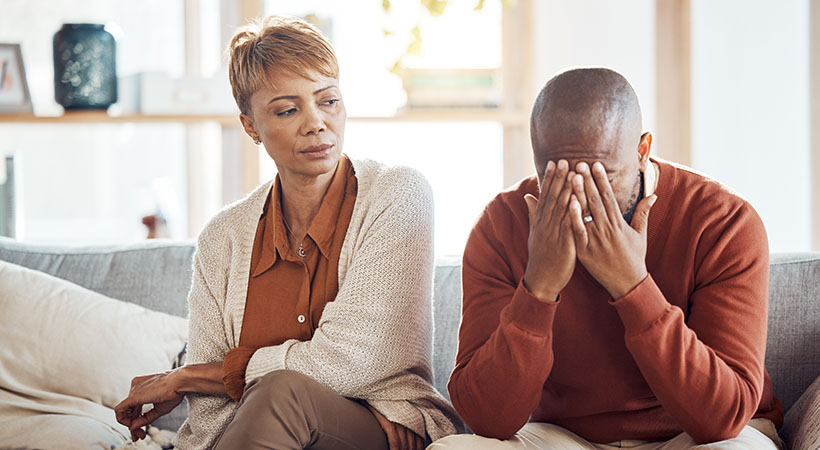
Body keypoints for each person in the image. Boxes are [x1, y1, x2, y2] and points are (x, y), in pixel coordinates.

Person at [114, 15, 461, 450]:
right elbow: (207, 415)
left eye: (329, 100)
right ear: (250, 126)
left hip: (376, 433)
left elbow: (347, 364)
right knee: (275, 395)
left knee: (281, 392)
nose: (316, 122)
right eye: (288, 109)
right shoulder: (223, 238)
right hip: (258, 440)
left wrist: (189, 376)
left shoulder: (397, 195)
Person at [431, 68, 784, 450]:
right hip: (565, 437)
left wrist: (631, 285)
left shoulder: (723, 221)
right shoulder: (501, 225)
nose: (581, 197)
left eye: (603, 177)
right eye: (557, 177)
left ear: (642, 150)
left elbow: (721, 418)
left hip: (699, 437)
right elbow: (486, 419)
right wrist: (539, 288)